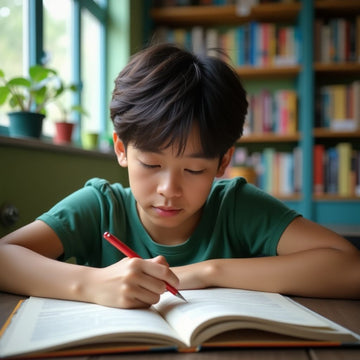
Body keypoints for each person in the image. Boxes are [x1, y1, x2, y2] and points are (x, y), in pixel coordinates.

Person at [0, 44, 359, 309]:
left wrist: (208, 272)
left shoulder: (236, 207)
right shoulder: (100, 207)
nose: (169, 190)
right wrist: (91, 284)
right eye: (152, 165)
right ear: (122, 149)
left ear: (223, 163)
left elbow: (349, 268)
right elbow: (5, 255)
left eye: (194, 170)